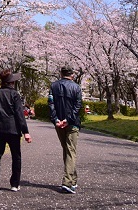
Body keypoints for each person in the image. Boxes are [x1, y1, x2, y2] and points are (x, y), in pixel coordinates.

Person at [0, 69, 32, 193]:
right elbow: (19, 114)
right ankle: (14, 184)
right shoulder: (15, 94)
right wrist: (26, 131)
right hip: (13, 130)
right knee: (16, 156)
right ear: (11, 82)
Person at [48, 66, 82, 194]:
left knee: (67, 150)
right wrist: (68, 119)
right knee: (70, 151)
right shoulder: (76, 87)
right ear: (72, 75)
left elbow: (50, 103)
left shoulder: (53, 86)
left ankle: (73, 179)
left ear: (61, 74)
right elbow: (77, 106)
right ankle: (67, 182)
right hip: (72, 124)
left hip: (59, 123)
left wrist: (56, 119)